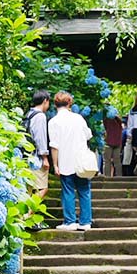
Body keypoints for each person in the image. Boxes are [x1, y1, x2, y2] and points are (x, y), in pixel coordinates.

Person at [48, 91, 94, 232]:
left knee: (67, 191)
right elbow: (88, 135)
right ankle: (85, 221)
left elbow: (54, 146)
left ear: (55, 104)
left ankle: (70, 221)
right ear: (69, 104)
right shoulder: (78, 118)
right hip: (81, 161)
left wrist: (55, 165)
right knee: (84, 190)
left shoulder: (53, 122)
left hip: (65, 161)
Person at [23, 90, 51, 231]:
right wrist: (45, 157)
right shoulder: (40, 116)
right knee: (42, 188)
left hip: (26, 156)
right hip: (36, 158)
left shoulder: (28, 114)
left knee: (29, 190)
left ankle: (29, 219)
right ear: (45, 100)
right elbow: (40, 137)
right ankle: (27, 217)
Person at [102, 110, 125, 177]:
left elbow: (104, 127)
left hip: (108, 142)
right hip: (117, 142)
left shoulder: (106, 119)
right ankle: (119, 177)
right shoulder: (119, 121)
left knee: (107, 161)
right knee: (117, 161)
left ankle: (107, 177)